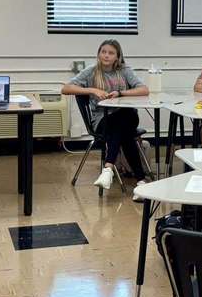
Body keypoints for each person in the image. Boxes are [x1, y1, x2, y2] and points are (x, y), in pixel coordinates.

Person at [62, 40, 150, 191]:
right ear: (98, 54)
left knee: (124, 114)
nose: (106, 56)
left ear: (117, 57)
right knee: (126, 135)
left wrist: (121, 93)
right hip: (102, 120)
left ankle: (108, 169)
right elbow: (66, 89)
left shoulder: (124, 70)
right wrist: (92, 90)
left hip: (128, 116)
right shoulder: (92, 71)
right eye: (103, 52)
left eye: (111, 53)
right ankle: (140, 181)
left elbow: (144, 90)